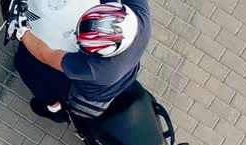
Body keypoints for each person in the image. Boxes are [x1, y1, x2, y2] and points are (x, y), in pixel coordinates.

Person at [10, 0, 151, 123]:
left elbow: (47, 55)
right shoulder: (140, 17)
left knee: (24, 62)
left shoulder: (93, 67)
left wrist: (22, 31)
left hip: (89, 97)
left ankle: (54, 109)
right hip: (128, 73)